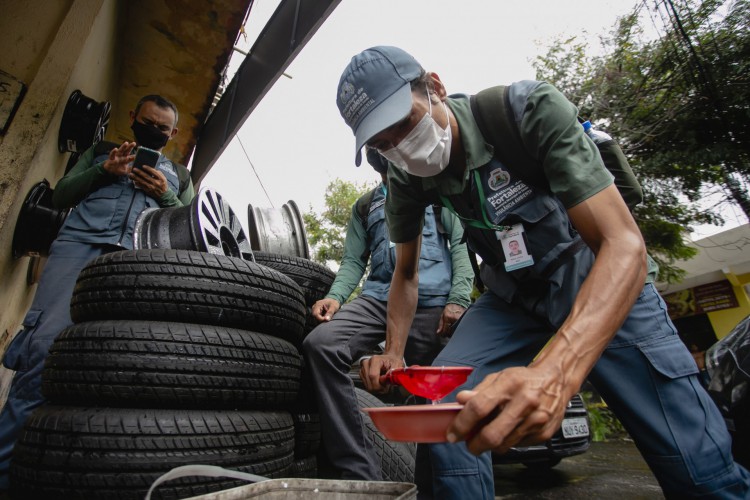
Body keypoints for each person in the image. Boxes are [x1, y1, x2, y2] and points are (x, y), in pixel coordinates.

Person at [335, 46, 750, 499]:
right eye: (382, 143)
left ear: (434, 87)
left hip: (593, 270)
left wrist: (555, 374)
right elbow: (406, 273)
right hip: (510, 294)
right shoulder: (405, 179)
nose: (400, 147)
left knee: (696, 467)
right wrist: (393, 350)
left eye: (405, 123)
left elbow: (623, 244)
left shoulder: (524, 111)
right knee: (447, 408)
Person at [0, 94, 194, 489]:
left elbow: (187, 229)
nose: (153, 130)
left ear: (173, 134)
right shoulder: (102, 151)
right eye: (147, 122)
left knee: (113, 363)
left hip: (134, 264)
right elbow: (61, 196)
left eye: (162, 127)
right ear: (132, 117)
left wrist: (166, 195)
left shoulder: (181, 176)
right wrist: (104, 171)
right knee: (44, 352)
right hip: (78, 250)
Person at [301, 148, 473, 481]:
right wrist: (336, 297)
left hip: (433, 302)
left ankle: (433, 482)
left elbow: (462, 246)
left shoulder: (435, 193)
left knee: (435, 392)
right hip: (378, 298)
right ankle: (359, 470)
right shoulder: (365, 205)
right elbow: (353, 261)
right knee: (321, 345)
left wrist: (458, 298)